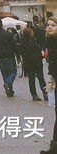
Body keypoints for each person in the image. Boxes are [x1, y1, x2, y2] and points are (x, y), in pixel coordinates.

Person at [0, 17, 19, 97]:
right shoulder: (7, 34)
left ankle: (10, 90)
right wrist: (18, 55)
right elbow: (14, 45)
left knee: (4, 72)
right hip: (9, 55)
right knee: (13, 72)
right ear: (1, 24)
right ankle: (8, 83)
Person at [39, 17, 57, 154]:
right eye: (48, 25)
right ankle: (54, 147)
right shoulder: (50, 42)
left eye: (53, 25)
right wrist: (51, 79)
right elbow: (52, 64)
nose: (49, 27)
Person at [20, 25, 47, 102]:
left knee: (40, 78)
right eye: (32, 32)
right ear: (29, 33)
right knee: (34, 79)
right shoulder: (26, 42)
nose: (33, 33)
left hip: (35, 63)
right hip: (32, 63)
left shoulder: (33, 41)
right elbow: (24, 53)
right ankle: (35, 94)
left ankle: (44, 93)